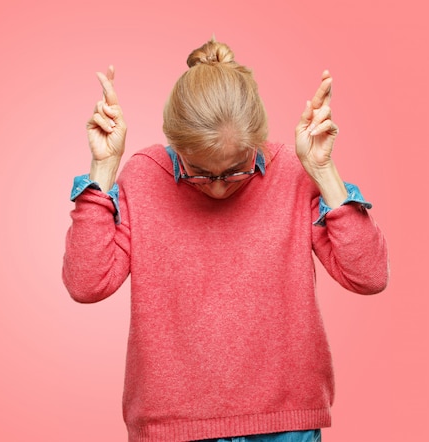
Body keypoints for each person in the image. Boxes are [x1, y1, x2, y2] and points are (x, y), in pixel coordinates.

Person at [62, 37, 388, 442]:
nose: (217, 188)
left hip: (284, 424)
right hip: (172, 426)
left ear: (257, 143)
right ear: (174, 145)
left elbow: (368, 276)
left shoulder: (291, 172)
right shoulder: (144, 175)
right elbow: (87, 283)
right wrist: (103, 171)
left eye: (236, 170)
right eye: (198, 171)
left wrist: (324, 172)